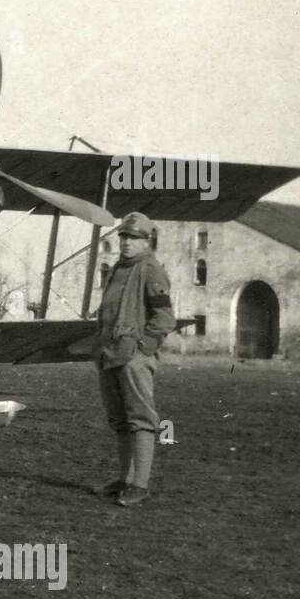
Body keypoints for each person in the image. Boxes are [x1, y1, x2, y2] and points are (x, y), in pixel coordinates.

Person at [92, 211, 175, 506]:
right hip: (110, 354)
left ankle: (140, 484)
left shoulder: (151, 269)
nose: (126, 243)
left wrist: (142, 349)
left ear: (146, 241)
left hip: (133, 358)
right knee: (119, 420)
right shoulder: (118, 267)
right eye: (123, 237)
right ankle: (124, 479)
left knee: (141, 419)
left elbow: (164, 318)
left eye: (134, 238)